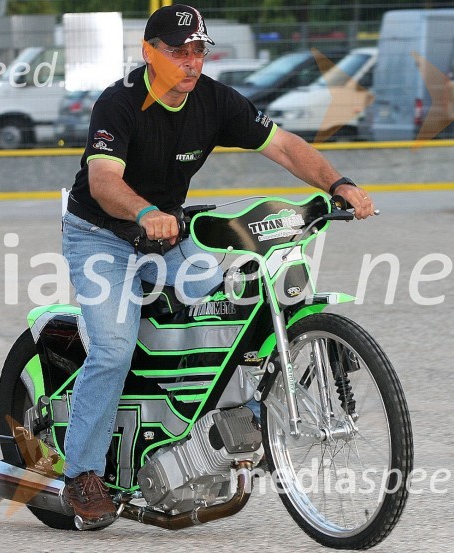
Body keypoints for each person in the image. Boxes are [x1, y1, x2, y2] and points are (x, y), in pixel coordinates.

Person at [59, 4, 375, 528]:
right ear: (148, 52)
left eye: (199, 51)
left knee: (233, 302)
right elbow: (103, 182)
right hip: (103, 237)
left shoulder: (215, 101)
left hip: (168, 234)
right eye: (178, 52)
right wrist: (144, 212)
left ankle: (220, 423)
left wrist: (337, 184)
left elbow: (286, 147)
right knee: (113, 348)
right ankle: (83, 473)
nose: (191, 62)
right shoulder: (119, 104)